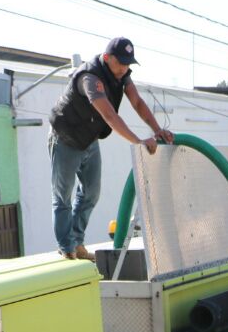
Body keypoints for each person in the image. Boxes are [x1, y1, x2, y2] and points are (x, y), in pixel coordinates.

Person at [49, 37, 174, 262]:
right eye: (121, 63)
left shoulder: (122, 74)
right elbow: (109, 116)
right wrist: (138, 142)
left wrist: (157, 130)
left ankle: (77, 243)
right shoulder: (90, 77)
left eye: (128, 64)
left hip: (89, 139)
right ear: (107, 58)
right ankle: (66, 249)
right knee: (63, 196)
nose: (125, 69)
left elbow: (137, 102)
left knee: (91, 193)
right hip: (66, 138)